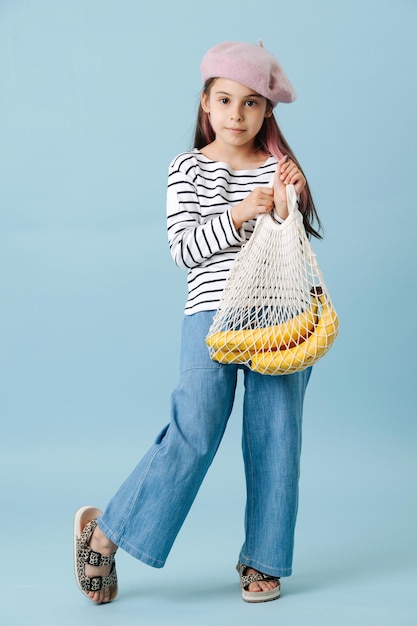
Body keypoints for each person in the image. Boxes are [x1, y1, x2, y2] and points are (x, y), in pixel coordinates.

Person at [73, 40, 322, 605]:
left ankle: (264, 560)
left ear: (267, 112)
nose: (238, 115)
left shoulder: (279, 168)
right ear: (206, 103)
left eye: (252, 103)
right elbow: (185, 250)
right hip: (212, 315)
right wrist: (239, 212)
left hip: (279, 313)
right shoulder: (187, 168)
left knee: (278, 433)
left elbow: (289, 251)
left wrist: (287, 205)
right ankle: (106, 531)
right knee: (195, 430)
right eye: (226, 100)